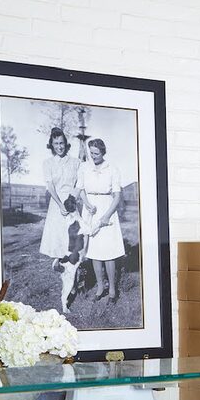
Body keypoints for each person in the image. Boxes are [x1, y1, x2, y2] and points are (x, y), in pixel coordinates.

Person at [76, 138, 125, 305]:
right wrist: (87, 205)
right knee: (95, 252)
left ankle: (112, 290)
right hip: (90, 211)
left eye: (96, 153)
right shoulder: (84, 167)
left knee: (109, 253)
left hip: (107, 210)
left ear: (103, 153)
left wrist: (107, 215)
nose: (93, 156)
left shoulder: (112, 169)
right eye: (91, 153)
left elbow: (117, 196)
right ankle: (100, 288)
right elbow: (81, 189)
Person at [39, 128, 81, 272]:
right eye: (56, 143)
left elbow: (79, 184)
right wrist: (60, 205)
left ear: (66, 144)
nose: (59, 147)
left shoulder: (76, 162)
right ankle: (60, 265)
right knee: (59, 239)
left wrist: (71, 201)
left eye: (61, 143)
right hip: (56, 203)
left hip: (72, 202)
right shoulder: (48, 163)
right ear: (51, 145)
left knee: (73, 241)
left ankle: (73, 274)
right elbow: (50, 186)